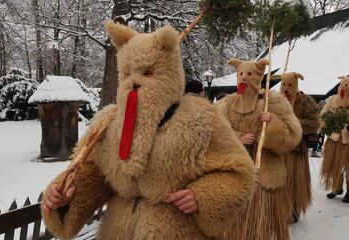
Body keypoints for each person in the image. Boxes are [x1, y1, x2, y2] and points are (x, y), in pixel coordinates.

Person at [40, 21, 257, 240]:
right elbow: (92, 174)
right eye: (127, 73)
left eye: (148, 72)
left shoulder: (201, 118)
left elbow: (239, 174)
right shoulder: (109, 122)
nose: (134, 82)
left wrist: (201, 196)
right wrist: (64, 196)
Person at [215, 59, 302, 240]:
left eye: (250, 74)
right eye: (241, 74)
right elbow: (215, 132)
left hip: (265, 179)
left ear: (259, 77)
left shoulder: (273, 102)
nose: (244, 78)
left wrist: (272, 124)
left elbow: (293, 136)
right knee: (236, 230)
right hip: (235, 179)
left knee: (261, 231)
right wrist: (238, 138)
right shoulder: (225, 105)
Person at [276, 72, 320, 222]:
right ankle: (279, 208)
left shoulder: (305, 101)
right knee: (279, 182)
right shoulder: (276, 101)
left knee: (294, 182)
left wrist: (294, 124)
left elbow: (315, 123)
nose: (286, 89)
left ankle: (294, 209)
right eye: (284, 85)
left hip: (296, 151)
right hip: (279, 150)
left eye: (290, 85)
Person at [320, 76, 349, 203]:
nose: (343, 88)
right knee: (332, 164)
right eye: (341, 85)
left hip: (346, 140)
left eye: (346, 85)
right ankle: (336, 187)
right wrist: (325, 127)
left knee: (348, 167)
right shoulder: (332, 100)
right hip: (333, 138)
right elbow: (323, 115)